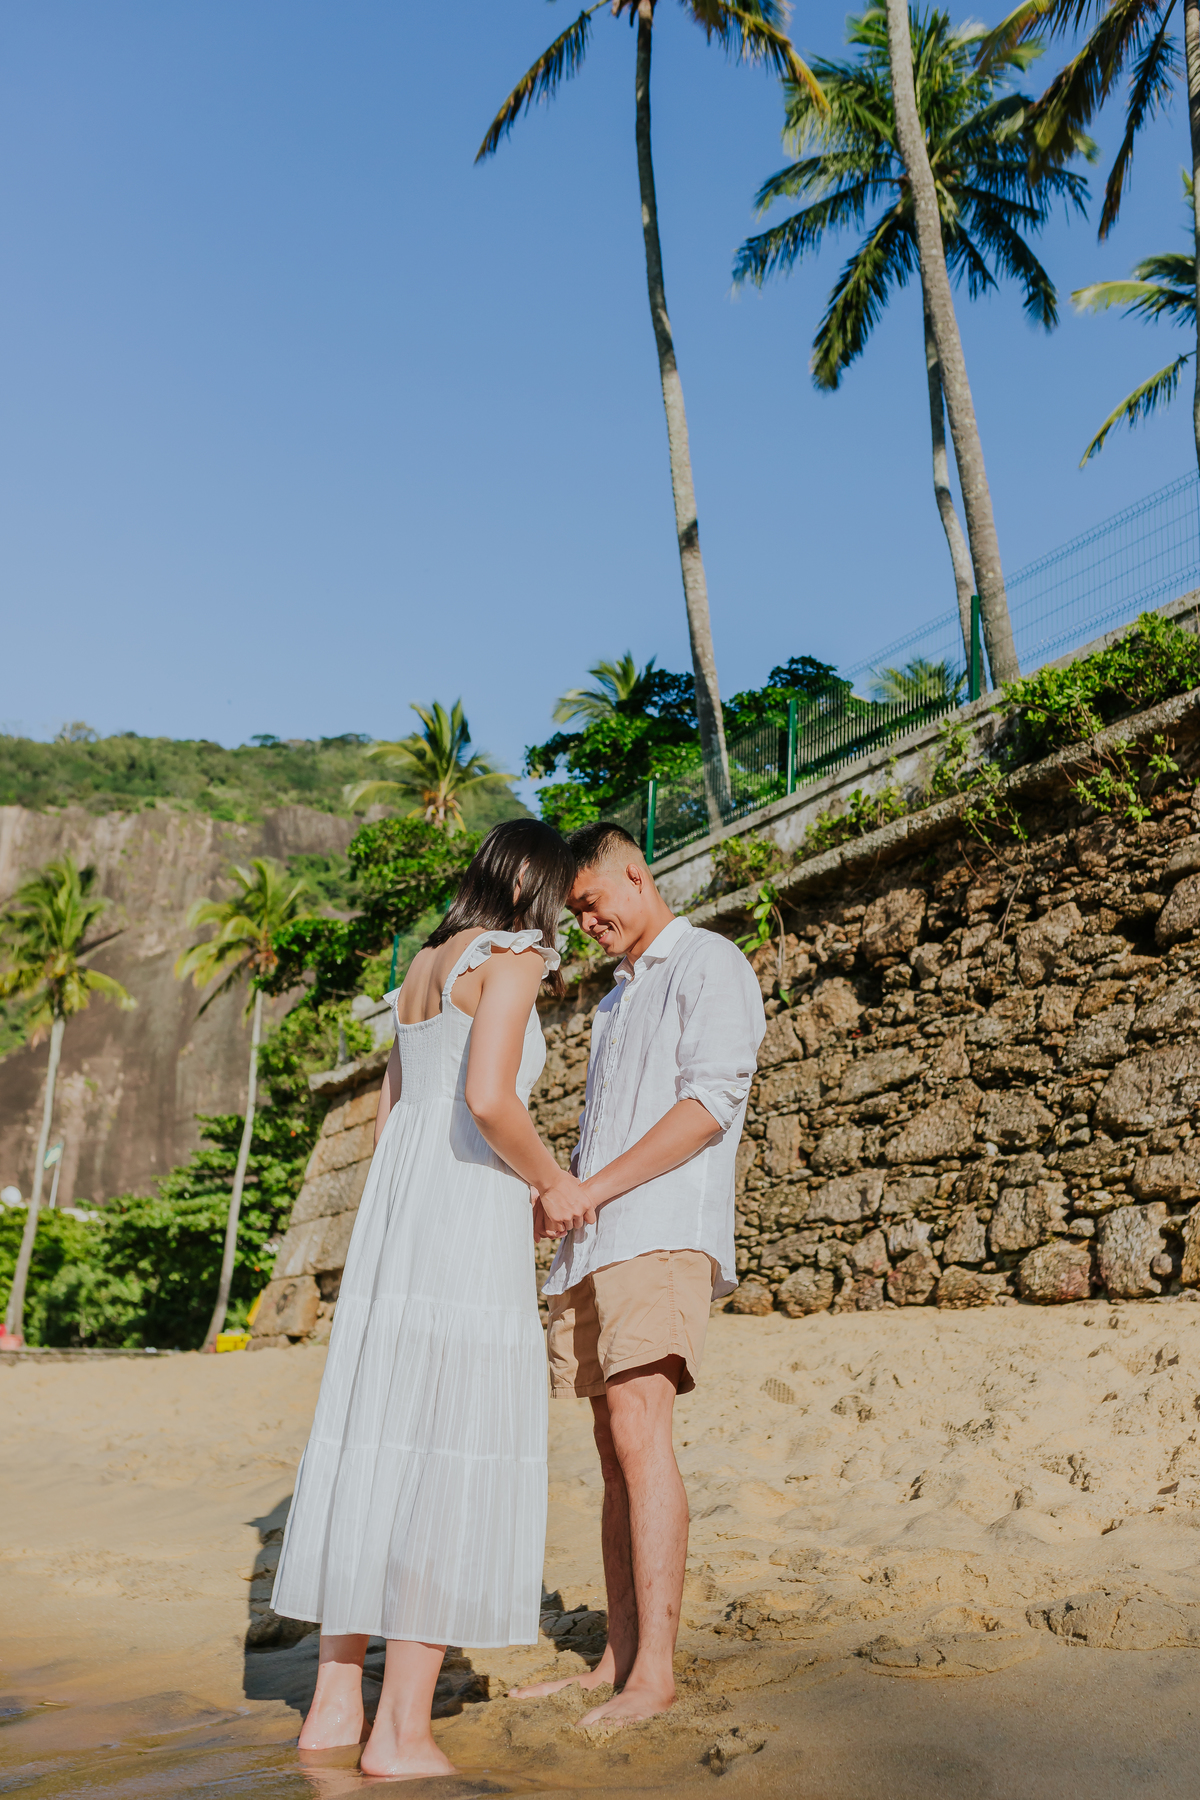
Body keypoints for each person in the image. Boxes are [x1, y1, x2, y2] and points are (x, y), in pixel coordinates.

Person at [271, 819, 591, 1780]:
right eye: (563, 890)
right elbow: (492, 1100)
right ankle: (401, 1731)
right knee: (444, 1450)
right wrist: (553, 1185)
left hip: (401, 1215)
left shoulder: (422, 964)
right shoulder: (516, 954)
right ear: (535, 883)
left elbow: (389, 1113)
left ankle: (334, 1707)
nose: (567, 912)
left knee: (381, 1437)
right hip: (463, 1213)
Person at [514, 820, 765, 1728]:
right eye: (574, 911)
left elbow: (709, 1106)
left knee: (639, 1429)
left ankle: (654, 1674)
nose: (586, 921)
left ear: (637, 874)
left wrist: (589, 1190)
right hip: (596, 1240)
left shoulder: (709, 962)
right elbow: (602, 1134)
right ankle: (616, 1659)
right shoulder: (617, 1000)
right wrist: (568, 1203)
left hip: (657, 1231)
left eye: (593, 902)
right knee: (611, 1452)